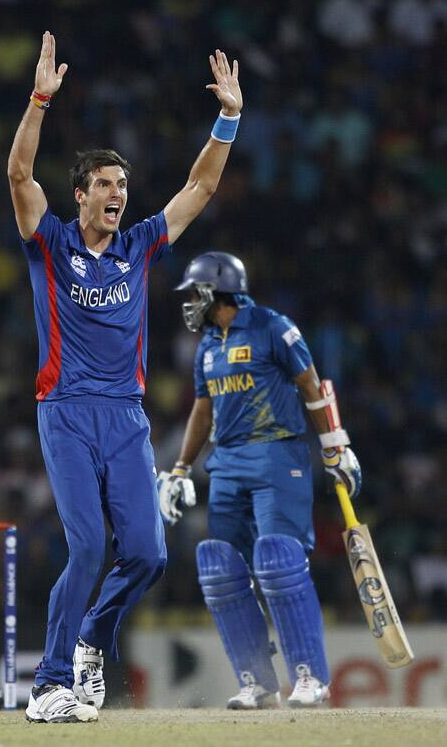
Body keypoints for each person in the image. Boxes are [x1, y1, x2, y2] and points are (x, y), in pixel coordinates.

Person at [7, 32, 243, 723]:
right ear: (80, 193)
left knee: (145, 553)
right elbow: (20, 176)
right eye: (106, 185)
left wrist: (227, 118)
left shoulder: (139, 244)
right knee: (87, 544)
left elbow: (200, 186)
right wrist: (39, 102)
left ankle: (89, 642)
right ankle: (49, 684)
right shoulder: (50, 244)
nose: (119, 194)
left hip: (127, 416)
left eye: (124, 186)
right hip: (67, 409)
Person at [157, 251, 361, 709]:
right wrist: (179, 469)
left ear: (217, 290)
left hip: (277, 455)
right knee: (219, 566)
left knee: (278, 560)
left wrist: (335, 445)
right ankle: (257, 680)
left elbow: (311, 385)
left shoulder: (273, 326)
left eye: (195, 293)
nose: (190, 302)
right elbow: (203, 410)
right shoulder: (208, 345)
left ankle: (309, 676)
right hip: (226, 463)